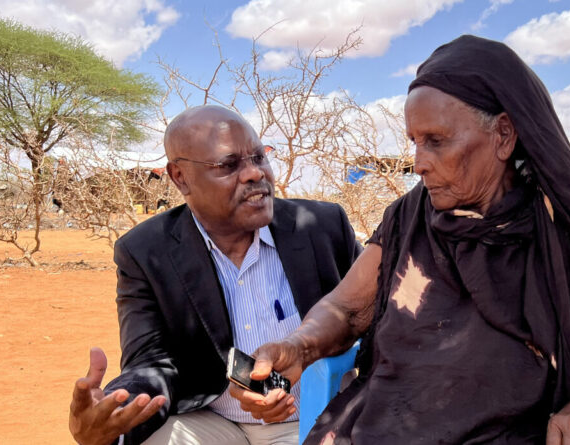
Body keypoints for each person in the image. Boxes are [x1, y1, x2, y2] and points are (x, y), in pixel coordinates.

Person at [244, 35, 570, 445]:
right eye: (414, 141)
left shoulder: (565, 229)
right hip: (379, 427)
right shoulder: (410, 215)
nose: (418, 163)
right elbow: (346, 307)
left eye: (436, 141)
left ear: (503, 135)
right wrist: (299, 346)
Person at [68, 105, 362, 445]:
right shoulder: (146, 250)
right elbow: (149, 360)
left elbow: (375, 316)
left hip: (312, 417)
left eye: (259, 157)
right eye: (228, 165)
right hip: (213, 421)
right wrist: (114, 408)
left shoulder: (322, 226)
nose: (254, 174)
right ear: (180, 177)